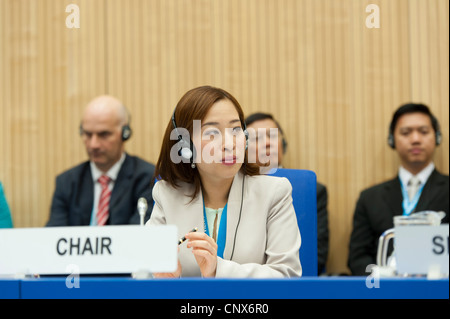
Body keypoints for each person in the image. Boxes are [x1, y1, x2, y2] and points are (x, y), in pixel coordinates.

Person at [147, 86, 301, 278]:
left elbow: (287, 275)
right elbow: (143, 271)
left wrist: (218, 269)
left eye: (236, 129)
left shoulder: (274, 193)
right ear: (184, 145)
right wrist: (163, 280)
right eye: (212, 133)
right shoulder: (166, 194)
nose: (229, 143)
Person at [348, 103, 449, 276]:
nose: (415, 139)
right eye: (406, 132)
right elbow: (357, 258)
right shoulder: (370, 198)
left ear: (437, 138)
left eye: (424, 132)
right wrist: (383, 276)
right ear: (392, 140)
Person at [46, 95, 155, 226]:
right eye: (87, 134)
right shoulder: (67, 182)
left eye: (104, 134)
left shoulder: (147, 178)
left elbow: (142, 235)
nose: (94, 144)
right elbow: (54, 238)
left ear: (125, 133)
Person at [245, 112, 329, 274]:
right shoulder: (230, 189)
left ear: (283, 144)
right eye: (257, 138)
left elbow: (317, 253)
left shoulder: (312, 190)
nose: (268, 142)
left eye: (272, 136)